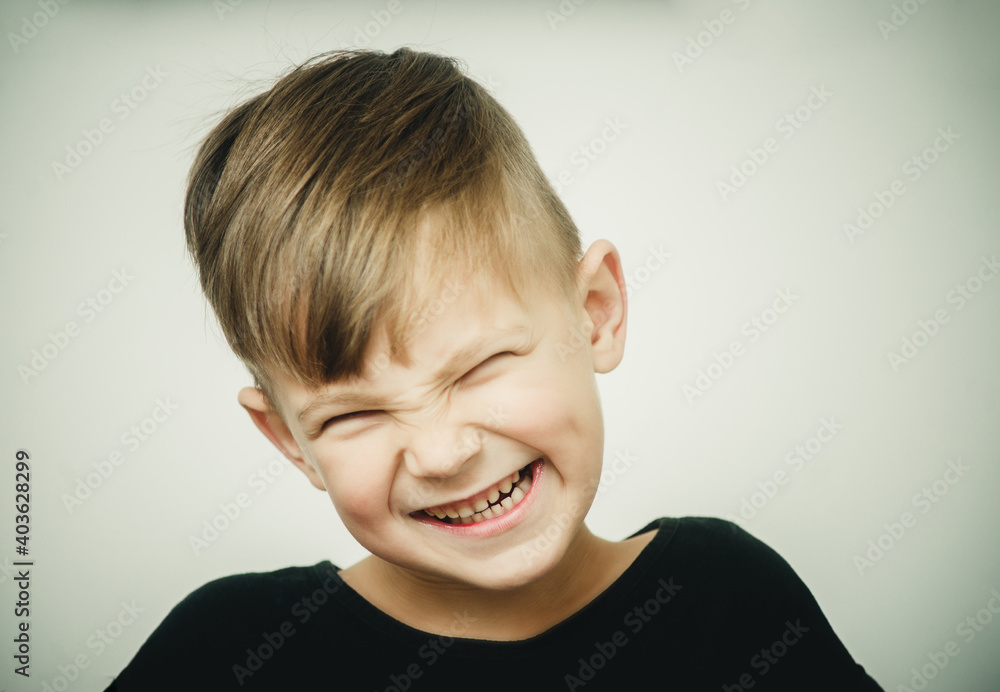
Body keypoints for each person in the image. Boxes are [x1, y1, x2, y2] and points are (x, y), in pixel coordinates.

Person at [105, 47, 883, 690]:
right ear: (289, 443)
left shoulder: (729, 600)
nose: (443, 453)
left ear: (597, 311)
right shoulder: (227, 652)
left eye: (480, 366)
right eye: (353, 415)